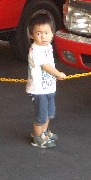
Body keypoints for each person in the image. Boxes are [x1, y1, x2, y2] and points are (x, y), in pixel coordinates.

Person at [26, 11, 66, 148]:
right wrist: (58, 74)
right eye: (39, 33)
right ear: (31, 35)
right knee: (42, 115)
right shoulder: (36, 50)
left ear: (52, 33)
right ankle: (37, 137)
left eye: (46, 33)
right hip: (39, 90)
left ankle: (44, 132)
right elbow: (46, 66)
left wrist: (55, 76)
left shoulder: (47, 46)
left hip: (48, 87)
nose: (43, 36)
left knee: (49, 113)